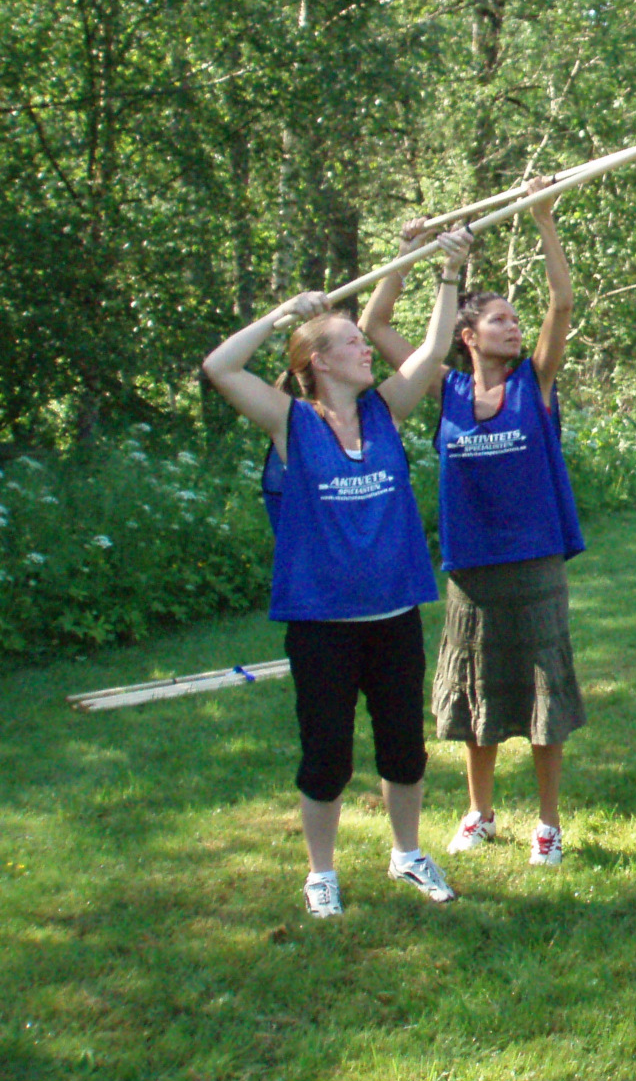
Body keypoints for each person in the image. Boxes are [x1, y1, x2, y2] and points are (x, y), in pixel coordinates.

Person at [200, 227, 475, 918]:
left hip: (393, 616)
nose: (366, 346)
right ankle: (321, 872)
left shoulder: (385, 411)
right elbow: (219, 368)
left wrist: (450, 269)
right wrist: (279, 316)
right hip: (322, 623)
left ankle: (407, 853)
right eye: (352, 340)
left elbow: (436, 348)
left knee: (403, 751)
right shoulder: (290, 421)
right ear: (319, 361)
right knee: (326, 755)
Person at [360, 183, 586, 868]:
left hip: (534, 560)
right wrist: (407, 254)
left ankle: (547, 824)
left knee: (544, 697)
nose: (514, 328)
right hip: (470, 566)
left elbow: (563, 303)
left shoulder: (534, 384)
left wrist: (545, 222)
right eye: (499, 321)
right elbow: (374, 326)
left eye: (515, 320)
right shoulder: (446, 387)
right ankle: (480, 813)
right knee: (474, 697)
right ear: (466, 335)